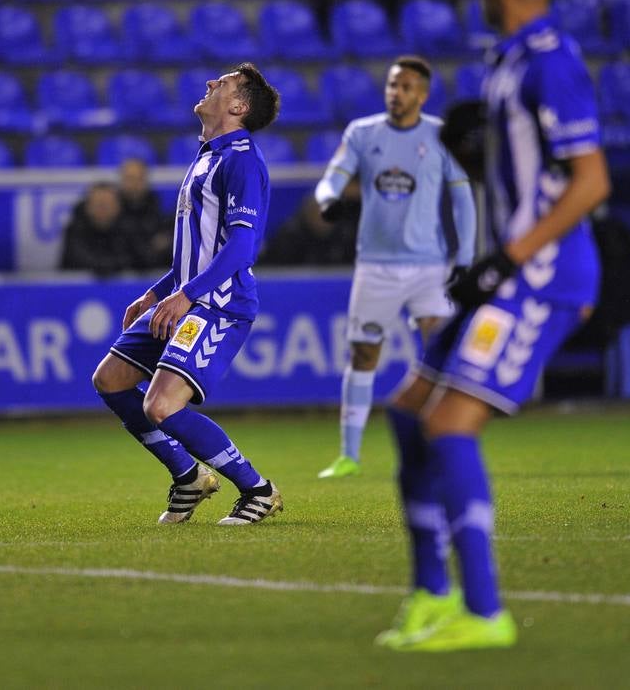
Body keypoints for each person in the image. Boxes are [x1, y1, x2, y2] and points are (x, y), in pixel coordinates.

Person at [377, 0, 610, 652]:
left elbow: (592, 182)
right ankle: (431, 595)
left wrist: (504, 260)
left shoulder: (551, 63)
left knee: (449, 425)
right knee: (408, 408)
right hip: (506, 273)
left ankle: (484, 612)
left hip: (540, 280)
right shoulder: (506, 60)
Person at [92, 63, 284, 526]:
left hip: (218, 303)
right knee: (112, 379)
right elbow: (196, 251)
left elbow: (242, 246)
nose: (211, 84)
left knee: (160, 405)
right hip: (184, 296)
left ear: (239, 106)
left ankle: (259, 489)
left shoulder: (241, 159)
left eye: (224, 84)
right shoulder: (206, 155)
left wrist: (185, 296)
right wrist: (157, 293)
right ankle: (188, 477)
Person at [313, 55, 476, 479]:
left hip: (429, 268)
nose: (395, 93)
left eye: (405, 87)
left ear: (421, 95)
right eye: (391, 85)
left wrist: (467, 258)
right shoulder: (363, 133)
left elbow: (463, 198)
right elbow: (333, 174)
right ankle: (348, 454)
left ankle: (443, 441)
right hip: (376, 266)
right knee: (364, 353)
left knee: (441, 353)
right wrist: (328, 198)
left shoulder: (441, 136)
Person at [60, 183, 132, 277]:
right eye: (98, 204)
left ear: (117, 207)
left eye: (107, 204)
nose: (102, 209)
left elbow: (133, 258)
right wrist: (107, 266)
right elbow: (78, 258)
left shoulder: (128, 229)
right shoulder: (75, 230)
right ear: (87, 207)